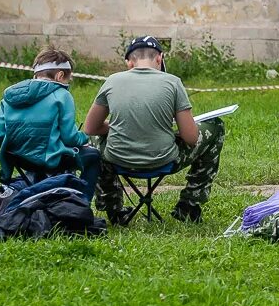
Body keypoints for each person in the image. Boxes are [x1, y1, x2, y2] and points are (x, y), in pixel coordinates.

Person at [83, 36, 224, 225]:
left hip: (118, 160)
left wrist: (116, 127)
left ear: (129, 62)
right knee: (216, 126)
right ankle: (189, 204)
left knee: (92, 143)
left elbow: (90, 128)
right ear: (160, 58)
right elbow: (191, 138)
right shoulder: (173, 82)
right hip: (164, 160)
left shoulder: (112, 81)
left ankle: (113, 209)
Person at [0, 46, 100, 200]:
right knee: (93, 156)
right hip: (49, 160)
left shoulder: (11, 94)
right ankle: (82, 204)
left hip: (17, 158)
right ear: (60, 75)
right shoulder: (62, 95)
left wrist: (16, 146)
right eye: (69, 79)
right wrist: (84, 137)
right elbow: (69, 138)